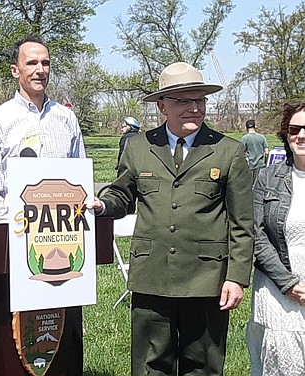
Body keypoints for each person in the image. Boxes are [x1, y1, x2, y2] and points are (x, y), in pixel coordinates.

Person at [89, 62, 254, 376]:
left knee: (203, 366)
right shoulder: (138, 147)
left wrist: (236, 276)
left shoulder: (228, 151)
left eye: (200, 101)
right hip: (152, 276)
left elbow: (242, 223)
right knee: (151, 366)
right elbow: (123, 195)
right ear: (162, 106)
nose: (194, 108)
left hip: (206, 279)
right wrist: (102, 205)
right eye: (184, 101)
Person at [0, 35, 86, 375]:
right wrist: (20, 238)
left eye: (45, 63)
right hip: (17, 254)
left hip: (64, 252)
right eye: (31, 63)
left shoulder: (66, 120)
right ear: (15, 70)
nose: (40, 70)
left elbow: (79, 182)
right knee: (21, 350)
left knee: (61, 350)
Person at [246, 103, 305, 376]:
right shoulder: (268, 178)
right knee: (283, 365)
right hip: (278, 289)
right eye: (295, 129)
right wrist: (288, 283)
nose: (301, 136)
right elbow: (255, 234)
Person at [241, 119, 269, 183]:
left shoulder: (245, 138)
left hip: (250, 166)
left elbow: (241, 152)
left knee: (250, 185)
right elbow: (267, 152)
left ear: (246, 127)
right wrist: (265, 162)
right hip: (260, 165)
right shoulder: (262, 137)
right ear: (255, 127)